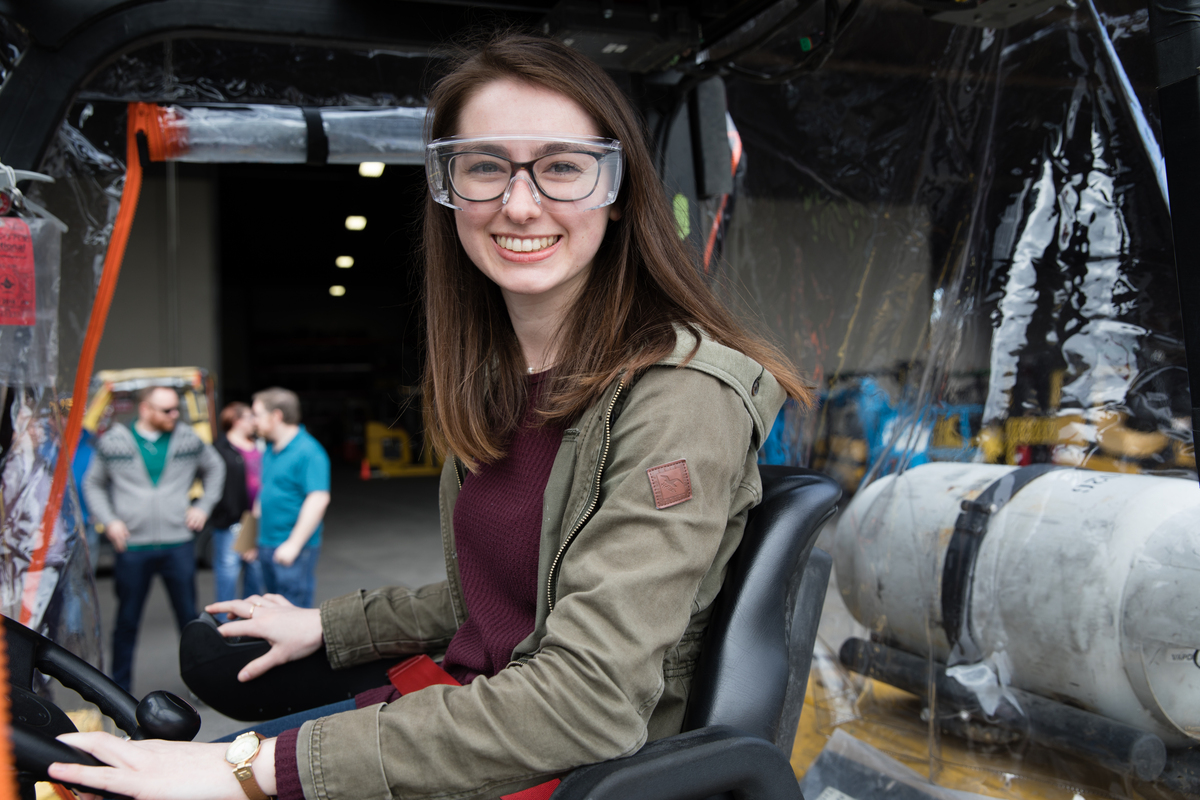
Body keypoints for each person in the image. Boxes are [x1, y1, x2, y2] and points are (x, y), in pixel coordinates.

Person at [52, 32, 812, 800]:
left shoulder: (678, 396)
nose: (519, 202)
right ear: (449, 193)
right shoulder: (502, 380)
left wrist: (245, 770)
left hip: (565, 769)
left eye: (562, 167)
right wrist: (328, 627)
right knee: (200, 680)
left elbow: (587, 704)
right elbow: (499, 595)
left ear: (616, 195)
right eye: (485, 167)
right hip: (471, 701)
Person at [81, 385, 225, 692]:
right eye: (167, 410)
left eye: (177, 409)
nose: (176, 415)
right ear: (145, 409)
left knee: (189, 619)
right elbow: (93, 484)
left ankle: (201, 687)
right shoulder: (114, 442)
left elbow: (215, 468)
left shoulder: (187, 438)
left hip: (178, 544)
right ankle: (118, 689)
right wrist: (110, 522)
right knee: (127, 621)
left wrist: (203, 507)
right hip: (132, 547)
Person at [251, 388, 331, 608]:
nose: (253, 421)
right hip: (266, 544)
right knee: (272, 609)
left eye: (257, 415)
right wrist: (250, 539)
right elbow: (263, 494)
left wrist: (293, 545)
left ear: (276, 416)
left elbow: (318, 499)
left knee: (293, 613)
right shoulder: (270, 449)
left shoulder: (309, 452)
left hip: (292, 548)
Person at [210, 402, 264, 613]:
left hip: (255, 518)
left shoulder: (260, 445)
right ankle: (225, 623)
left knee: (256, 572)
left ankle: (253, 621)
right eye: (250, 417)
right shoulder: (219, 448)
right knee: (228, 572)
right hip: (231, 520)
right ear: (237, 421)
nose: (254, 421)